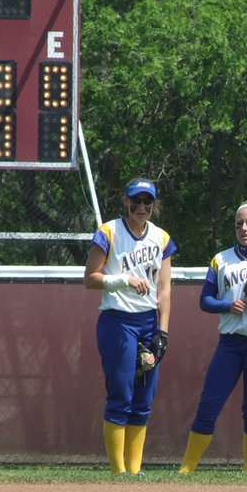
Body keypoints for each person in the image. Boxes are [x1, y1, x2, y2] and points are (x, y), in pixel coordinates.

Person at [178, 202, 247, 473]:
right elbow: (205, 300)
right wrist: (226, 305)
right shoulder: (221, 259)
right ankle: (187, 467)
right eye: (240, 223)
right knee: (209, 403)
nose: (244, 228)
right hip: (229, 342)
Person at [84, 178, 177, 475]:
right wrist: (123, 280)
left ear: (154, 204)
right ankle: (118, 471)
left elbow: (164, 290)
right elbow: (90, 278)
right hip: (118, 321)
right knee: (121, 394)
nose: (141, 207)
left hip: (149, 322)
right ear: (125, 202)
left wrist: (163, 332)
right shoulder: (109, 232)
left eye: (147, 201)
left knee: (144, 398)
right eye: (136, 201)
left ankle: (134, 472)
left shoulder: (161, 238)